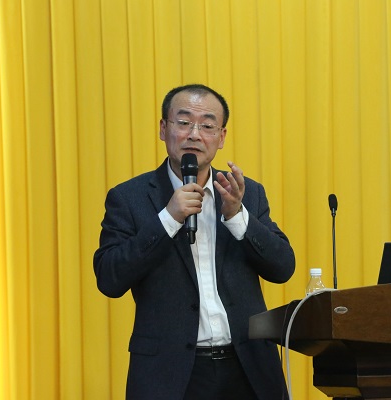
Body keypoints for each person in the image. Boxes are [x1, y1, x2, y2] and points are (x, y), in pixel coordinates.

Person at [93, 83, 295, 400]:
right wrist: (168, 218)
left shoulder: (245, 193)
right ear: (163, 129)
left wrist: (238, 217)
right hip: (169, 375)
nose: (195, 134)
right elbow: (109, 278)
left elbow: (283, 267)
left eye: (207, 126)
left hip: (247, 368)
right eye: (184, 122)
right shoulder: (129, 198)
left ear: (221, 137)